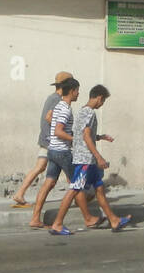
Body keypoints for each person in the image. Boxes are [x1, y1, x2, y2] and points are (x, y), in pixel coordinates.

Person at [49, 85, 131, 235]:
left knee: (99, 188)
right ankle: (57, 224)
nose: (102, 104)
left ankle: (114, 220)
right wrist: (99, 157)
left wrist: (100, 137)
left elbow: (82, 134)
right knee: (74, 189)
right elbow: (86, 136)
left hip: (88, 159)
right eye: (103, 101)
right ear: (99, 98)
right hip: (85, 160)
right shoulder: (90, 113)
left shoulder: (82, 111)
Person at [29, 77, 99, 230]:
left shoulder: (59, 106)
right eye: (77, 91)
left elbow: (51, 121)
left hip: (53, 150)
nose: (79, 94)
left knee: (49, 183)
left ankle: (35, 218)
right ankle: (87, 218)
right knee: (77, 185)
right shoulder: (65, 109)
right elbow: (58, 131)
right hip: (62, 152)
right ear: (72, 91)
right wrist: (75, 139)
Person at [12, 71, 70, 207]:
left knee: (40, 167)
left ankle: (19, 194)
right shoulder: (57, 100)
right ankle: (82, 195)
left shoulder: (52, 97)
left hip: (46, 139)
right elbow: (49, 118)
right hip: (52, 140)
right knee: (69, 169)